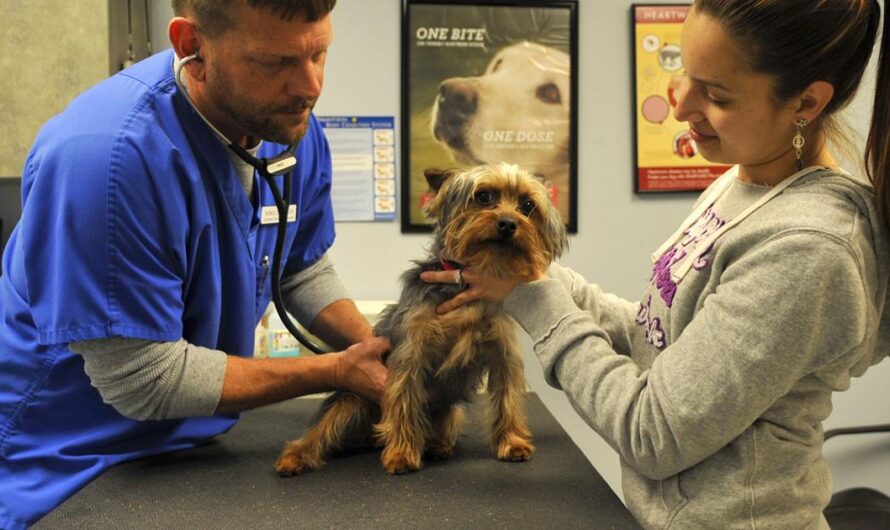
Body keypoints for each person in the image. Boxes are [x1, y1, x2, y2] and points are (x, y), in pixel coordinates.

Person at [424, 0, 890, 528]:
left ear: (806, 101)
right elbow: (661, 340)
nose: (681, 105)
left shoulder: (809, 247)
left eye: (715, 94)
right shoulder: (743, 183)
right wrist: (532, 274)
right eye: (683, 74)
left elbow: (654, 433)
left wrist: (535, 299)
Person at [0, 1, 389, 528]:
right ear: (191, 46)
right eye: (275, 63)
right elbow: (143, 378)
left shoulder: (284, 124)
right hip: (61, 462)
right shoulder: (107, 159)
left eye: (320, 53)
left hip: (188, 448)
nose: (311, 86)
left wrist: (377, 356)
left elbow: (297, 266)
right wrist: (337, 370)